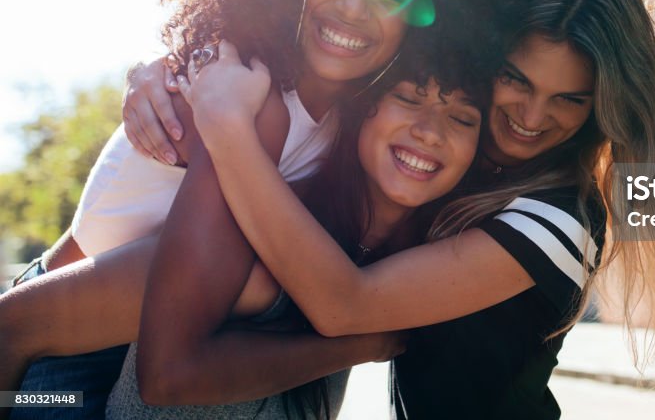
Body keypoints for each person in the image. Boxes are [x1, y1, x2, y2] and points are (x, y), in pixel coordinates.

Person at [0, 0, 514, 419]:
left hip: (136, 337)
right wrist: (352, 342)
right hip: (57, 358)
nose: (352, 7)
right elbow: (152, 364)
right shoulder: (245, 95)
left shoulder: (355, 119)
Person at [148, 0, 655, 419]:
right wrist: (165, 77)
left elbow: (344, 304)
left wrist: (227, 131)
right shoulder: (463, 164)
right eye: (515, 80)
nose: (529, 117)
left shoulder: (559, 220)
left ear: (600, 108)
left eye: (567, 100)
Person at [105, 34, 494, 418]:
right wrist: (362, 345)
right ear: (363, 108)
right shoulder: (243, 225)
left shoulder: (411, 275)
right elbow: (54, 318)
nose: (430, 131)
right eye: (409, 98)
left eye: (462, 118)